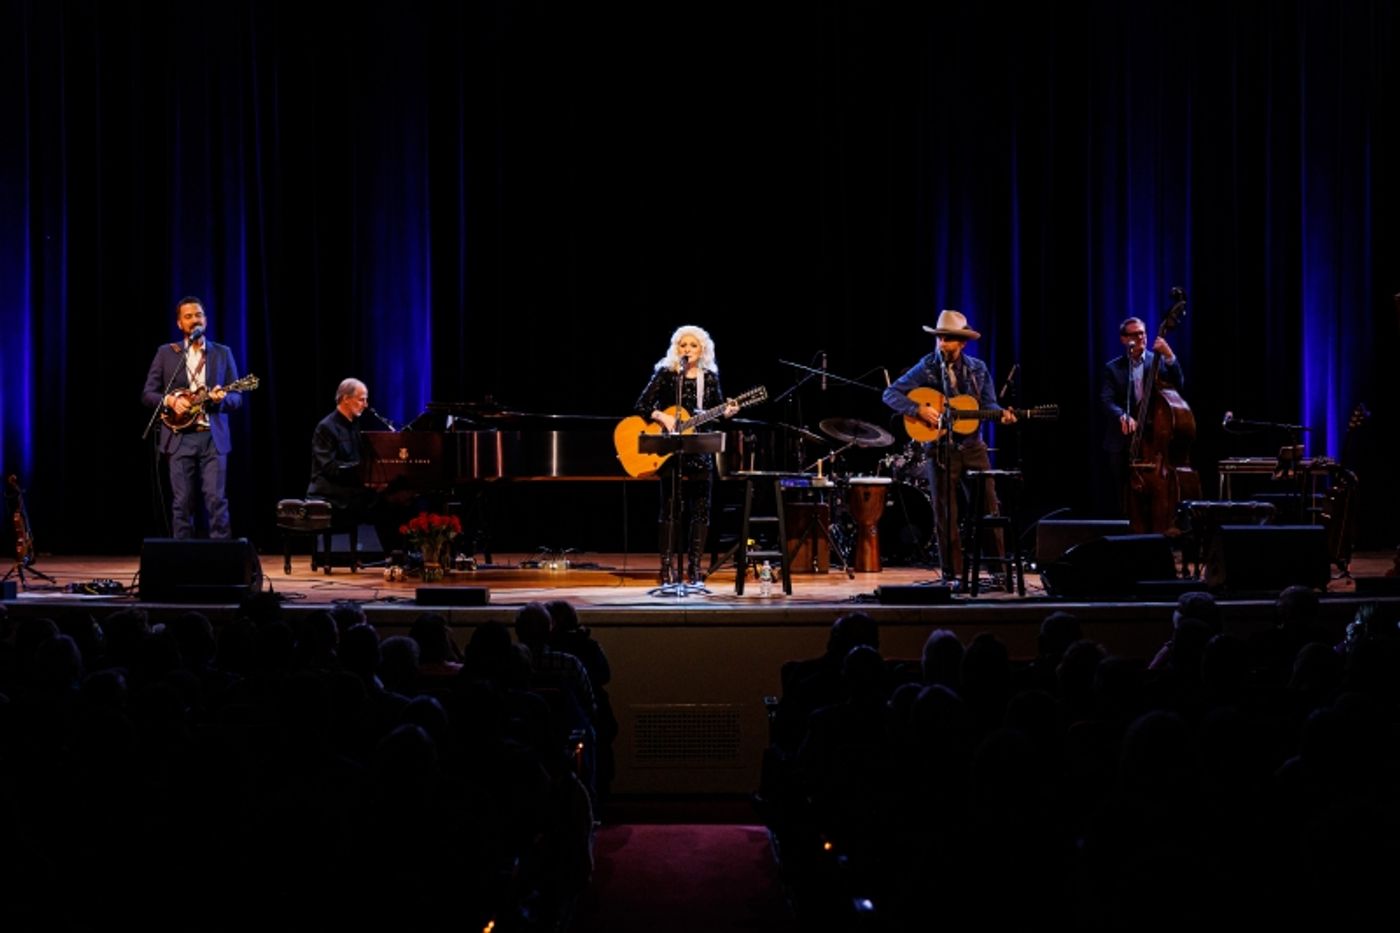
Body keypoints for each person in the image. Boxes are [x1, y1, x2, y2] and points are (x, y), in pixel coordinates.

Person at [882, 310, 1015, 587]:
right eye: (940, 338)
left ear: (962, 343)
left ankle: (998, 572)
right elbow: (890, 393)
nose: (942, 344)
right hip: (940, 449)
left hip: (972, 446)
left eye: (948, 339)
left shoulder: (977, 368)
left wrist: (1001, 413)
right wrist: (918, 409)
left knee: (988, 508)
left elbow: (988, 405)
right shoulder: (927, 366)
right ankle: (952, 574)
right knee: (946, 513)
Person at [633, 325, 739, 587]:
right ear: (676, 348)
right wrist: (662, 415)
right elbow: (642, 405)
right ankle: (667, 568)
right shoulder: (667, 374)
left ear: (702, 349)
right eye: (683, 345)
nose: (687, 349)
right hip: (670, 451)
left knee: (701, 510)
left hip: (699, 450)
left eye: (693, 345)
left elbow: (714, 414)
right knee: (669, 509)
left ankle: (694, 569)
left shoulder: (710, 378)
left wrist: (726, 413)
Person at [142, 296, 244, 538]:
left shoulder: (222, 353)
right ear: (179, 324)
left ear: (205, 320)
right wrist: (169, 400)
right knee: (182, 503)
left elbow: (237, 397)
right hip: (178, 438)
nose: (194, 320)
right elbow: (148, 394)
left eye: (198, 315)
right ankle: (182, 559)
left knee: (216, 500)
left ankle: (222, 559)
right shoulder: (167, 353)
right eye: (188, 316)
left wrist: (222, 400)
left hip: (212, 437)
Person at [1100, 315, 1183, 518]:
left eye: (1143, 333)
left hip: (1152, 436)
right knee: (1122, 492)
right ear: (1124, 339)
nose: (1141, 337)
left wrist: (1170, 356)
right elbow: (1107, 398)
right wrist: (1122, 416)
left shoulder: (1158, 362)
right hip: (1122, 439)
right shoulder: (1113, 368)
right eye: (1135, 334)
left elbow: (1178, 383)